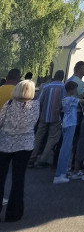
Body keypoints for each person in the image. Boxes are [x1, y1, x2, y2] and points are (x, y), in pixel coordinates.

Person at [0, 80, 41, 222]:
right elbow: (34, 122)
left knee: (1, 177)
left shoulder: (9, 104)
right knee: (18, 179)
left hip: (5, 142)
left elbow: (1, 121)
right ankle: (14, 212)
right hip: (25, 144)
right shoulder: (35, 105)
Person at [29, 70, 65, 168]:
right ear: (62, 77)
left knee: (38, 136)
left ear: (54, 76)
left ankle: (32, 157)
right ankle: (43, 159)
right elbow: (64, 102)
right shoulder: (63, 88)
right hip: (56, 117)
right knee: (52, 138)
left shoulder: (46, 87)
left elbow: (39, 101)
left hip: (44, 115)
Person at [53, 81, 82, 183]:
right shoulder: (72, 99)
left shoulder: (65, 99)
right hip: (71, 123)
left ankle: (62, 171)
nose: (75, 91)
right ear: (71, 89)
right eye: (75, 89)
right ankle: (60, 173)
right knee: (66, 148)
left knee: (65, 148)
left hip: (65, 122)